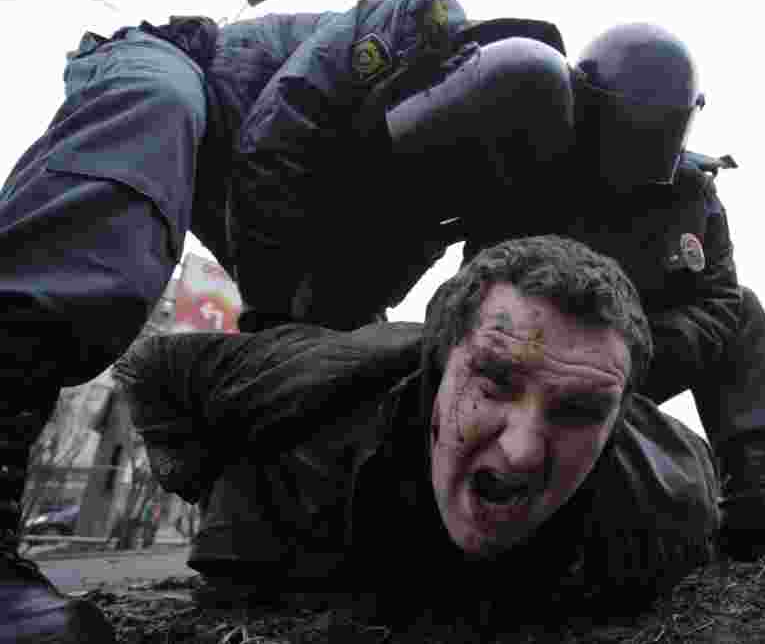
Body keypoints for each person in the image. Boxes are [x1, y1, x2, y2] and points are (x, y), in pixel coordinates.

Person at [0, 0, 578, 638]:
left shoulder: (473, 194)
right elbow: (269, 152)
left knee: (347, 375)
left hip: (283, 211)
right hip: (184, 72)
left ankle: (252, 543)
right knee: (147, 129)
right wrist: (276, 328)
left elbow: (446, 300)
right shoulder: (411, 26)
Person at [455, 23, 765, 573]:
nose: (642, 148)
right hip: (535, 373)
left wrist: (635, 351)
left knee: (748, 310)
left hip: (644, 359)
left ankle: (760, 506)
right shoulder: (534, 167)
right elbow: (474, 290)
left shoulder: (693, 194)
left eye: (660, 130)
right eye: (630, 129)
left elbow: (720, 297)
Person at [112, 235, 721, 624]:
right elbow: (150, 367)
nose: (521, 449)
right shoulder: (311, 395)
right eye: (495, 380)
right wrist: (207, 483)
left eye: (580, 410)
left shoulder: (664, 508)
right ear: (440, 364)